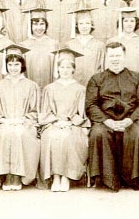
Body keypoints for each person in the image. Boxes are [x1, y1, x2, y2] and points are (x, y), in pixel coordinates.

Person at [86, 42, 139, 191]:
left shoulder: (137, 77)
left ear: (124, 56)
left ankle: (133, 179)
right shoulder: (97, 79)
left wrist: (129, 120)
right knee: (98, 133)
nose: (115, 59)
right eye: (112, 56)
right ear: (107, 57)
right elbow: (91, 105)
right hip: (105, 119)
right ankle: (107, 179)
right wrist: (107, 121)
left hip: (131, 118)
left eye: (118, 55)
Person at [0, 45, 40, 190]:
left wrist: (22, 120)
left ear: (22, 65)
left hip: (24, 123)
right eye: (10, 64)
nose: (13, 68)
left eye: (17, 64)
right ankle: (6, 176)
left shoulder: (31, 85)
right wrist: (3, 120)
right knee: (3, 133)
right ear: (6, 66)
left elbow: (36, 110)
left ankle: (17, 177)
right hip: (2, 122)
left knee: (21, 134)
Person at [39, 49, 89, 192]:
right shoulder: (50, 88)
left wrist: (70, 121)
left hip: (73, 125)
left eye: (68, 67)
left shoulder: (80, 89)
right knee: (52, 136)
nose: (65, 70)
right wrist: (55, 121)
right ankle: (55, 176)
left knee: (68, 137)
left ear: (73, 69)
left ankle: (66, 176)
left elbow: (82, 113)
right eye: (62, 67)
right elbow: (45, 111)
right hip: (53, 124)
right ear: (58, 69)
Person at [106, 7, 139, 80]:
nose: (129, 24)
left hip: (137, 82)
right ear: (121, 22)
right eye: (126, 21)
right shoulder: (112, 41)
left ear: (136, 23)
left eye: (132, 21)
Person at [65, 8, 105, 86]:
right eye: (81, 23)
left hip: (94, 85)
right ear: (76, 25)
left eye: (87, 23)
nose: (84, 26)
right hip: (74, 85)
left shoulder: (100, 45)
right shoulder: (69, 45)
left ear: (91, 25)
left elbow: (102, 69)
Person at [20, 8, 58, 88]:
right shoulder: (24, 45)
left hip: (49, 88)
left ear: (46, 25)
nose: (39, 28)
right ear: (30, 26)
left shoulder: (54, 44)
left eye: (42, 24)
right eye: (35, 24)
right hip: (29, 89)